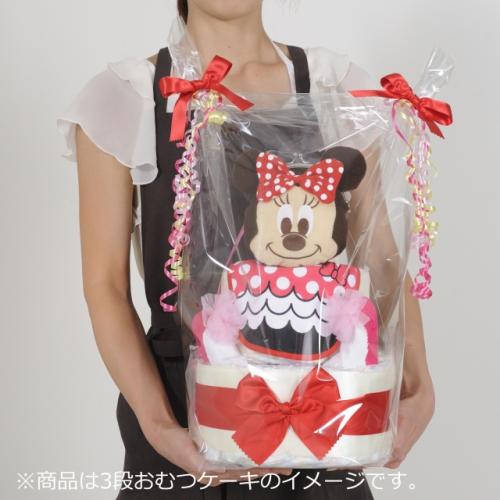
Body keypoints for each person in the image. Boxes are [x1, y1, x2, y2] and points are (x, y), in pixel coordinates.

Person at [56, 1, 435, 498]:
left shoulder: (333, 87)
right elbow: (105, 286)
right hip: (179, 412)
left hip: (322, 405)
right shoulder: (124, 97)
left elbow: (379, 258)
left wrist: (418, 384)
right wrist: (160, 426)